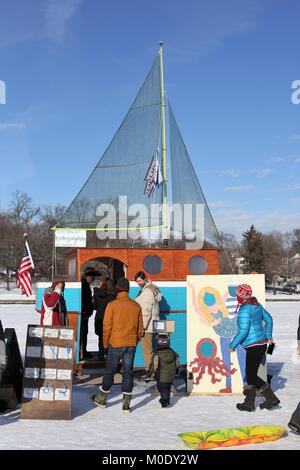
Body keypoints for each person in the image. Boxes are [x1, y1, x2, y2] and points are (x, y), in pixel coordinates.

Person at [91, 277, 143, 413]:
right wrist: (135, 341)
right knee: (128, 373)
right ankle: (126, 404)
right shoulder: (136, 306)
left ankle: (102, 399)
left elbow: (106, 327)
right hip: (130, 344)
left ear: (117, 289)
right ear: (128, 289)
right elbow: (140, 329)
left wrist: (105, 344)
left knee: (110, 371)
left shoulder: (112, 305)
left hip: (115, 343)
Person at [230, 284, 280, 412]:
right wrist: (268, 336)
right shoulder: (256, 305)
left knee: (251, 376)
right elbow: (269, 319)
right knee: (250, 374)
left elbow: (243, 331)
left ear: (241, 296)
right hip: (261, 344)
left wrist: (232, 345)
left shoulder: (244, 310)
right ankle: (249, 403)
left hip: (253, 346)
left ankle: (271, 398)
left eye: (238, 295)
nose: (237, 297)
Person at [135, 271, 162, 380]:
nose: (138, 283)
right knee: (150, 349)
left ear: (145, 278)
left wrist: (142, 327)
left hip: (147, 327)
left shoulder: (147, 292)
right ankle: (155, 370)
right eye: (137, 281)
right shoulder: (152, 289)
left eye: (139, 280)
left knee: (147, 350)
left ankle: (151, 371)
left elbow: (145, 311)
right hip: (151, 325)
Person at [148, 333, 179, 408]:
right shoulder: (173, 353)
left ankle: (165, 402)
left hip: (160, 375)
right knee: (167, 388)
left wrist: (150, 373)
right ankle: (165, 399)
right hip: (171, 375)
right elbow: (177, 364)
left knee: (162, 389)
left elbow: (154, 365)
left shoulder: (157, 354)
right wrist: (176, 372)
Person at [93, 277, 117, 360]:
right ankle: (109, 355)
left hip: (99, 317)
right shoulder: (114, 296)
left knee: (101, 337)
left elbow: (95, 306)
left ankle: (100, 355)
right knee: (110, 336)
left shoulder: (97, 294)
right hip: (110, 318)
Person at [81, 267, 98, 359]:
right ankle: (83, 352)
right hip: (84, 314)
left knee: (85, 333)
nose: (93, 279)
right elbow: (85, 301)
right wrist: (86, 313)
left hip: (85, 314)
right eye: (92, 277)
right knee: (83, 333)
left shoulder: (85, 285)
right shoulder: (84, 286)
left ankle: (84, 351)